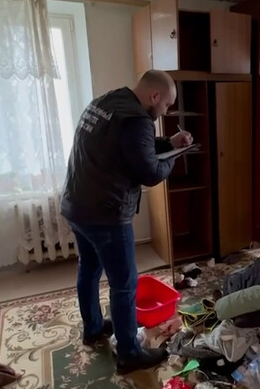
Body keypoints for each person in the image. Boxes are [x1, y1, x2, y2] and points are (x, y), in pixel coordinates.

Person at [60, 70, 193, 374]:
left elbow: (134, 146)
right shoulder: (137, 120)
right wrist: (177, 153)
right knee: (124, 284)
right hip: (105, 214)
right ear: (154, 96)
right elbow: (151, 172)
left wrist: (167, 142)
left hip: (76, 204)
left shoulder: (106, 102)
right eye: (166, 105)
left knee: (89, 268)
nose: (166, 111)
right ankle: (129, 354)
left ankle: (93, 327)